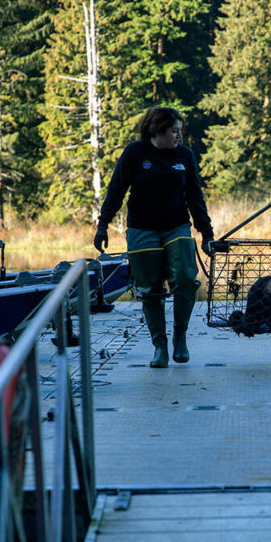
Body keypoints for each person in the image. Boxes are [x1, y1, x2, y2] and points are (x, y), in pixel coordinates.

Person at [94, 106, 215, 368]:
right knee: (149, 289)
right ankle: (159, 345)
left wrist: (207, 233)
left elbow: (195, 197)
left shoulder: (185, 155)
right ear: (157, 130)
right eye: (174, 131)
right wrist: (103, 224)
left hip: (177, 226)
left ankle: (179, 336)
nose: (179, 137)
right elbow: (116, 191)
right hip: (142, 228)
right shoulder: (135, 153)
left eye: (180, 132)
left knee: (185, 277)